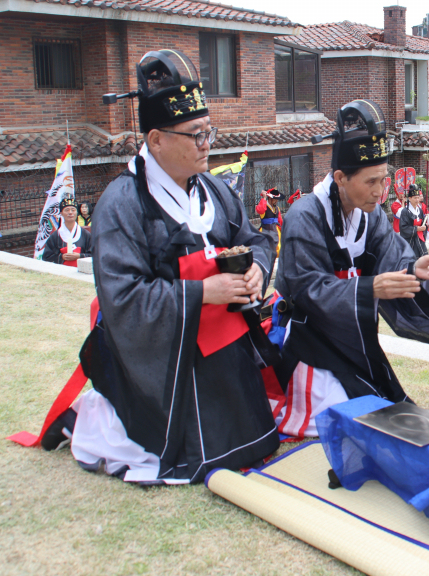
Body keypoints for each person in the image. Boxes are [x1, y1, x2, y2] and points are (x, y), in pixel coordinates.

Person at [34, 49, 280, 483]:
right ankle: (90, 419)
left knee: (256, 442)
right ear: (156, 140)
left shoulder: (215, 191)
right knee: (188, 458)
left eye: (209, 132)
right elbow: (123, 299)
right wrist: (205, 292)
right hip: (164, 355)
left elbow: (255, 238)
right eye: (195, 136)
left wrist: (258, 265)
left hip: (223, 346)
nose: (208, 145)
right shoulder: (121, 204)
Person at [273, 99, 429, 438]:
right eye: (371, 181)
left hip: (353, 334)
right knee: (341, 416)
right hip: (309, 335)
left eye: (384, 180)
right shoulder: (304, 216)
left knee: (381, 405)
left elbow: (393, 256)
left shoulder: (371, 213)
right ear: (341, 177)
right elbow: (309, 290)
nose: (380, 192)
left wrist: (414, 268)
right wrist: (369, 288)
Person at [42, 197, 92, 266]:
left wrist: (79, 256)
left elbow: (94, 254)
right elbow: (46, 257)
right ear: (61, 213)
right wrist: (62, 257)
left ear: (77, 213)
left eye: (73, 210)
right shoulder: (55, 236)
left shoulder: (85, 234)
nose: (70, 212)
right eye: (67, 210)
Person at [255, 188, 285, 268]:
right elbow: (260, 210)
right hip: (266, 232)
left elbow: (280, 221)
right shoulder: (264, 207)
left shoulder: (277, 209)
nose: (276, 201)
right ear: (270, 198)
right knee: (267, 251)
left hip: (276, 232)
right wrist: (264, 198)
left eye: (277, 200)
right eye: (274, 199)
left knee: (278, 250)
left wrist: (284, 230)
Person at [399, 185, 429, 258]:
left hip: (420, 240)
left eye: (418, 197)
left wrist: (424, 227)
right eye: (415, 198)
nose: (417, 200)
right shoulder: (405, 211)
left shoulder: (420, 211)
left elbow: (423, 224)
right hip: (410, 241)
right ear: (409, 198)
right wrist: (416, 229)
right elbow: (403, 228)